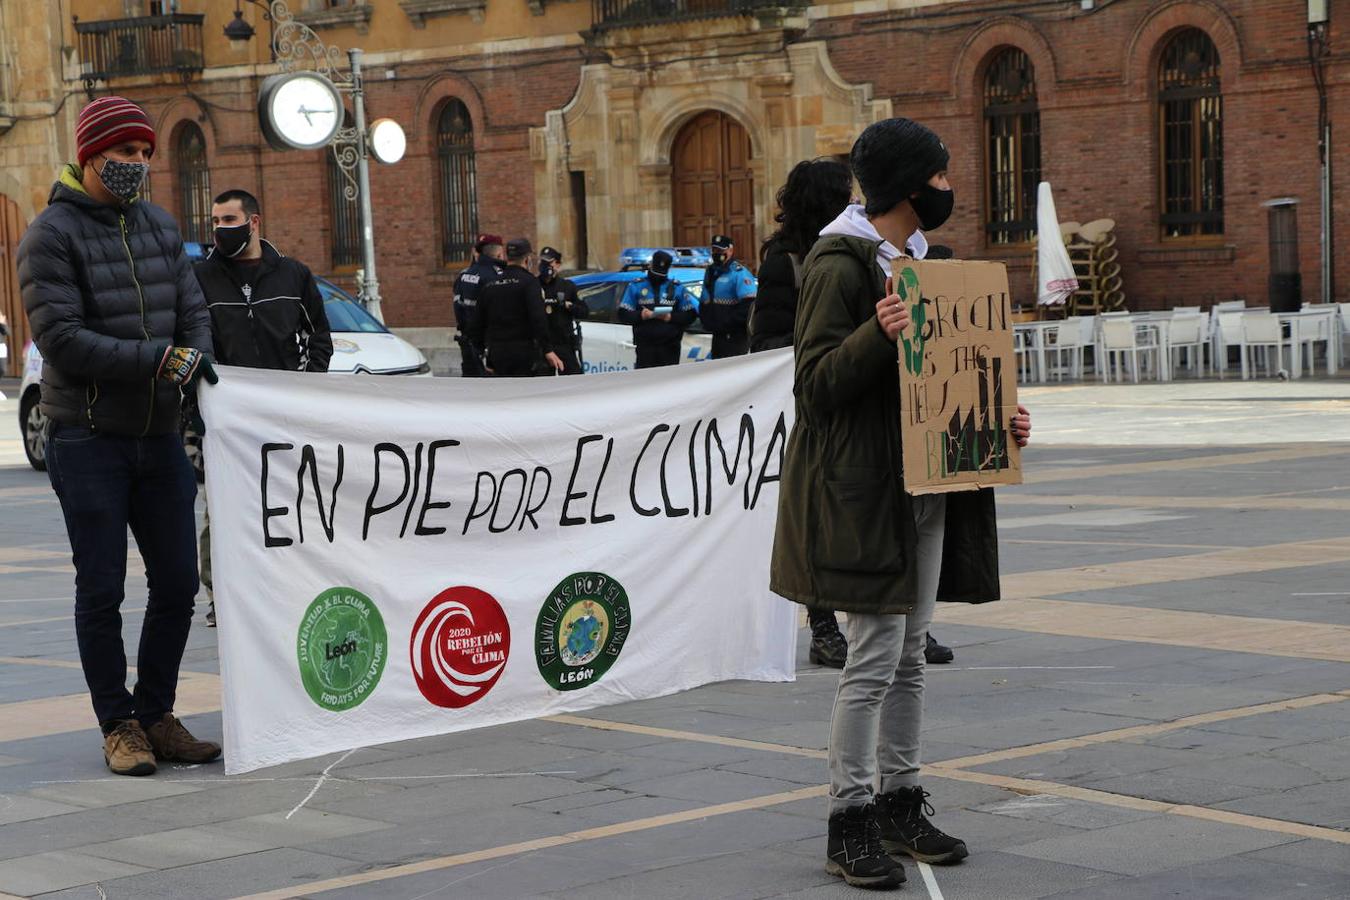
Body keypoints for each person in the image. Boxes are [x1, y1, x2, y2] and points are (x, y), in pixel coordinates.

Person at [769, 117, 1032, 888]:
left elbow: (949, 377)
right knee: (874, 657)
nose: (950, 187)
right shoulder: (838, 263)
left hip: (925, 482)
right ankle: (847, 817)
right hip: (861, 490)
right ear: (910, 187)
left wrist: (1000, 420)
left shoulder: (926, 262)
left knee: (912, 653)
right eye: (941, 176)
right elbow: (814, 387)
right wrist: (875, 335)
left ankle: (901, 798)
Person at [17, 96, 223, 776]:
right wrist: (155, 361)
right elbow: (61, 338)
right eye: (124, 153)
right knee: (101, 586)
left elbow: (193, 310)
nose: (136, 163)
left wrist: (191, 355)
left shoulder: (161, 228)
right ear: (90, 155)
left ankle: (156, 712)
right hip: (88, 437)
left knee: (177, 582)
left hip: (160, 434)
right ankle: (118, 725)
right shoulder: (50, 233)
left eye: (143, 154)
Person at [192, 188, 334, 627]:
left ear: (254, 222)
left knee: (289, 503)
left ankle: (288, 586)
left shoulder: (293, 275)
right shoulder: (200, 277)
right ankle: (222, 594)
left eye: (229, 220)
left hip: (283, 417)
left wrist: (300, 392)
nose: (220, 230)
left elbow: (319, 341)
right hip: (225, 418)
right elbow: (192, 340)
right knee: (224, 509)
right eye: (215, 222)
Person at [753, 159, 853, 669]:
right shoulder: (784, 263)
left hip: (856, 398)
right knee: (817, 516)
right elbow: (765, 342)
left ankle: (896, 620)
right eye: (844, 195)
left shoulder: (859, 251)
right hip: (810, 405)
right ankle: (823, 626)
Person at [472, 238, 563, 377]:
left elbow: (478, 322)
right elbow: (538, 318)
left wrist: (482, 351)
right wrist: (547, 350)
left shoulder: (491, 285)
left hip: (497, 354)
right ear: (527, 259)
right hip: (524, 353)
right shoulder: (530, 283)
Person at [617, 250, 697, 369]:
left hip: (670, 348)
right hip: (645, 348)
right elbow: (623, 314)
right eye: (656, 272)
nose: (657, 277)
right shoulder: (636, 286)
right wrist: (642, 315)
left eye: (661, 274)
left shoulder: (676, 288)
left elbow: (690, 315)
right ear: (651, 265)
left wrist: (670, 317)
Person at [453, 233, 505, 377]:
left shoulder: (464, 275)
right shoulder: (498, 275)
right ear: (500, 254)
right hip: (491, 345)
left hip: (468, 342)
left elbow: (458, 307)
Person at [698, 234, 757, 359]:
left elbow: (749, 306)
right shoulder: (710, 272)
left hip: (735, 337)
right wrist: (707, 322)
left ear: (730, 250)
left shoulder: (739, 273)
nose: (717, 253)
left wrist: (726, 323)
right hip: (717, 336)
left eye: (721, 250)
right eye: (714, 250)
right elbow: (704, 301)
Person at [538, 245, 588, 375]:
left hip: (564, 343)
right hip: (542, 345)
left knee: (573, 381)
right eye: (543, 262)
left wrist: (569, 306)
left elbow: (584, 311)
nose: (546, 266)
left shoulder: (567, 286)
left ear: (558, 265)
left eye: (549, 263)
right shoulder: (534, 285)